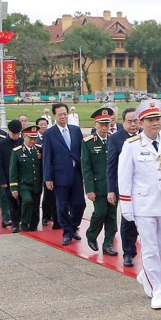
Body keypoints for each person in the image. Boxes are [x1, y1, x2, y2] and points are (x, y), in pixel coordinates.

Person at [118, 99, 161, 310]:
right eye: (150, 120)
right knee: (150, 248)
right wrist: (127, 206)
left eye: (157, 118)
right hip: (143, 203)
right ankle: (157, 290)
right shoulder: (131, 145)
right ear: (141, 122)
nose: (155, 123)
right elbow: (124, 178)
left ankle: (146, 274)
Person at [43, 102, 86, 246]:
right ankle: (67, 232)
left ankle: (73, 227)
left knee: (80, 204)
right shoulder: (49, 133)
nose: (63, 116)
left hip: (76, 173)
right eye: (60, 114)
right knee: (62, 206)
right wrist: (48, 177)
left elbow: (82, 152)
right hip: (59, 175)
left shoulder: (75, 130)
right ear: (54, 116)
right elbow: (47, 156)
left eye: (65, 113)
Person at [107, 107, 142, 267]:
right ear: (123, 122)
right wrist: (111, 190)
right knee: (128, 219)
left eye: (136, 121)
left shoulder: (145, 136)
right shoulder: (116, 139)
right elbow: (111, 166)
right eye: (130, 121)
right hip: (125, 187)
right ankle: (128, 252)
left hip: (144, 187)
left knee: (144, 220)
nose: (133, 124)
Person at [82, 107, 118, 255]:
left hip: (113, 186)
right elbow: (86, 167)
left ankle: (108, 244)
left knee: (112, 215)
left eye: (107, 124)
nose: (104, 127)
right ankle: (91, 234)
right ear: (95, 124)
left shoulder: (113, 140)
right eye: (101, 124)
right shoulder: (88, 142)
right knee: (100, 212)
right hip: (97, 186)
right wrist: (89, 189)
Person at [10, 125, 44, 232]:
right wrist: (14, 188)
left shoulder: (39, 149)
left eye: (35, 138)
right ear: (24, 137)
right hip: (24, 184)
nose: (33, 141)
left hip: (36, 183)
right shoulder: (17, 151)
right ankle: (24, 221)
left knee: (36, 205)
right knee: (27, 201)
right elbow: (13, 170)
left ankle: (34, 223)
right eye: (31, 138)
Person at [0, 119, 23, 232]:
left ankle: (19, 220)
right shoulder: (1, 145)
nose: (16, 136)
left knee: (22, 201)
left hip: (21, 178)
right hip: (8, 179)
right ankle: (15, 223)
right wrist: (3, 181)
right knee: (11, 202)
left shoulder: (22, 142)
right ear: (9, 132)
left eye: (18, 134)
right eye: (13, 134)